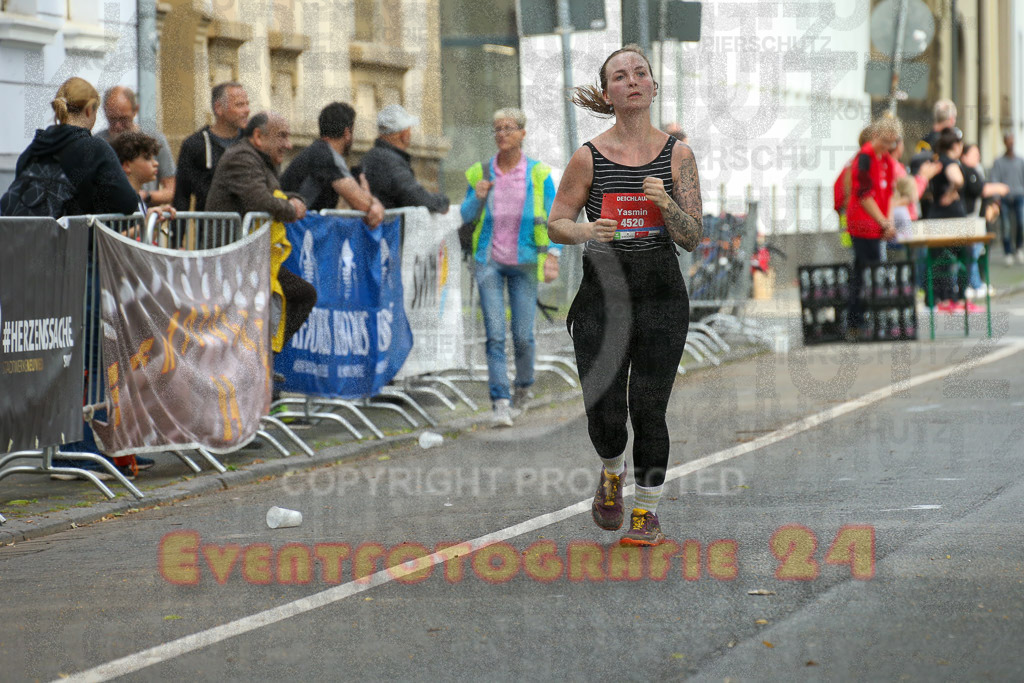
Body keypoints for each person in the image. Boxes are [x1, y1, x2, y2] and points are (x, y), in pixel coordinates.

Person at [547, 45, 702, 546]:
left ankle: (647, 512)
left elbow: (693, 234)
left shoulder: (678, 154)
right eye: (620, 76)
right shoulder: (587, 156)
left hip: (660, 291)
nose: (632, 80)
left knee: (648, 406)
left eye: (640, 73)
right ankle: (612, 469)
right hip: (603, 294)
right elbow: (556, 225)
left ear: (653, 87)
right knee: (606, 410)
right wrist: (587, 233)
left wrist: (665, 204)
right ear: (608, 93)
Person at [1, 77, 145, 481]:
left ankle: (59, 446)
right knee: (80, 353)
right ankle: (73, 448)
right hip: (74, 263)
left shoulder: (35, 145)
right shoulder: (93, 147)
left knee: (49, 350)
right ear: (92, 110)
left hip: (27, 261)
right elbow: (126, 204)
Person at [459, 107, 560, 426]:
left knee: (523, 336)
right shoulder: (481, 172)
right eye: (497, 128)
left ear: (522, 134)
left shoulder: (539, 173)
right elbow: (465, 214)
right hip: (488, 261)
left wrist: (554, 254)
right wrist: (477, 197)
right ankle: (500, 401)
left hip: (526, 261)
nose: (502, 133)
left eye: (509, 128)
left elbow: (556, 215)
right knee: (494, 334)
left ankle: (523, 387)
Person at [205, 112, 316, 351]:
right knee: (242, 321)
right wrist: (290, 208)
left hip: (252, 261)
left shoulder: (262, 160)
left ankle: (264, 359)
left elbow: (274, 195)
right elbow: (260, 200)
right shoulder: (242, 157)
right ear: (258, 136)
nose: (289, 144)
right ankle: (257, 363)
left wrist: (294, 201)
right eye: (282, 136)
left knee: (302, 295)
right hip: (230, 263)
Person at [2, 77, 138, 217]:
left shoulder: (34, 149)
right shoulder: (95, 149)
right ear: (88, 111)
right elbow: (128, 203)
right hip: (71, 238)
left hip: (20, 236)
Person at [281, 102, 385, 226]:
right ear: (347, 133)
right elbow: (361, 203)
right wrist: (373, 201)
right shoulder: (325, 155)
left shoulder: (319, 151)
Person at [846, 116, 901, 337]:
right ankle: (859, 320)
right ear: (877, 135)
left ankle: (859, 320)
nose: (889, 147)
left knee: (866, 272)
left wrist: (888, 224)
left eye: (893, 142)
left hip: (877, 225)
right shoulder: (865, 157)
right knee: (868, 272)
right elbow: (864, 194)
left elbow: (888, 194)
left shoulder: (886, 160)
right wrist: (883, 222)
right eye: (886, 141)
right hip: (862, 224)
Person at [173, 81, 250, 213]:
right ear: (219, 108)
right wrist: (176, 232)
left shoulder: (252, 143)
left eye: (247, 104)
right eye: (239, 105)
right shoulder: (195, 145)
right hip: (209, 229)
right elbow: (182, 195)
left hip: (249, 229)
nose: (246, 110)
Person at [95, 86, 176, 206]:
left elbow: (170, 189)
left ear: (135, 110)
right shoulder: (98, 142)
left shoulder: (154, 139)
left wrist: (145, 196)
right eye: (112, 119)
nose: (118, 126)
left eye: (124, 119)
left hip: (145, 216)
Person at [361, 104, 449, 213]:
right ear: (404, 134)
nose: (410, 134)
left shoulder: (370, 157)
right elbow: (414, 196)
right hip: (389, 227)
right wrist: (441, 202)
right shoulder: (390, 161)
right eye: (409, 130)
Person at [925, 127, 968, 310]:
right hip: (952, 215)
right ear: (956, 145)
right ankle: (956, 297)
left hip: (936, 214)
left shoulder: (936, 162)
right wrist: (952, 192)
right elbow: (958, 180)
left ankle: (936, 298)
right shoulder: (950, 163)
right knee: (963, 255)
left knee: (936, 259)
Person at [960, 143, 1009, 297]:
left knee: (975, 252)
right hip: (968, 218)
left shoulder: (975, 170)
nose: (978, 157)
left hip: (975, 218)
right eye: (974, 154)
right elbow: (980, 189)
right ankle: (972, 284)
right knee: (971, 253)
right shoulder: (966, 171)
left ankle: (974, 283)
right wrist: (999, 187)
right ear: (964, 156)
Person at [109, 130, 178, 226]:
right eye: (147, 158)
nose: (156, 163)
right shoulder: (120, 200)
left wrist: (157, 220)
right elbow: (113, 238)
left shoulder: (138, 199)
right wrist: (145, 225)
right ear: (127, 166)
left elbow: (144, 239)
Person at [989, 133, 1024, 266]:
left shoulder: (1020, 161)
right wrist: (996, 197)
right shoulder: (999, 162)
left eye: (1012, 141)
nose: (1010, 143)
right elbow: (994, 179)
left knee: (1021, 223)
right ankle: (1008, 252)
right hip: (1004, 197)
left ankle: (1019, 248)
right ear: (1004, 142)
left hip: (1019, 195)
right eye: (1008, 141)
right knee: (1006, 225)